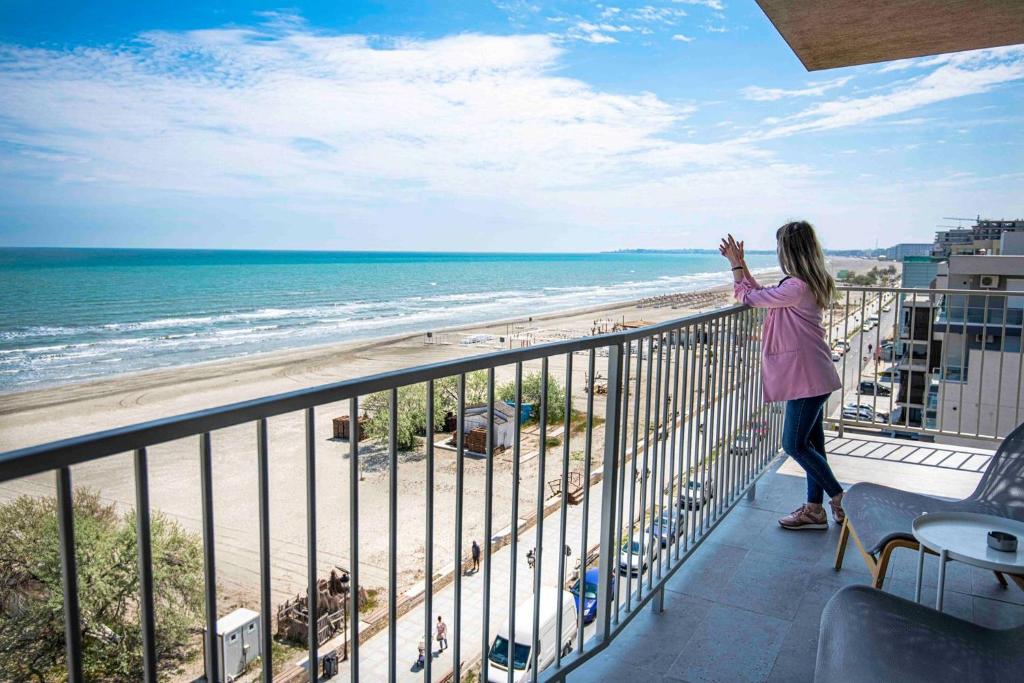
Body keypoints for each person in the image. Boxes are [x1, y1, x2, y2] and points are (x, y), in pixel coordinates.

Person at [720, 223, 845, 530]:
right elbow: (764, 294)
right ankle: (815, 510)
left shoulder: (797, 287)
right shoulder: (802, 285)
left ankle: (840, 499)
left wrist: (736, 266)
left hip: (807, 380)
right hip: (812, 376)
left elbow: (749, 298)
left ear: (790, 252)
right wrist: (742, 264)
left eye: (779, 247)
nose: (777, 253)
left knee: (794, 445)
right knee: (812, 444)